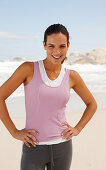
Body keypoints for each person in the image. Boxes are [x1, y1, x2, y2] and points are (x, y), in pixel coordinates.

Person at [0, 23, 97, 170]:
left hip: (63, 148)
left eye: (62, 46)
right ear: (44, 45)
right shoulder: (28, 69)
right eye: (51, 46)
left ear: (68, 46)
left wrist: (77, 129)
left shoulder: (72, 76)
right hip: (33, 147)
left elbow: (92, 104)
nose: (56, 51)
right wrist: (14, 132)